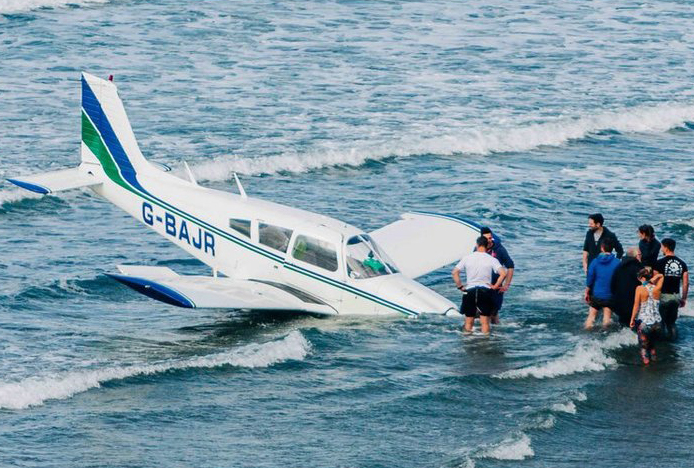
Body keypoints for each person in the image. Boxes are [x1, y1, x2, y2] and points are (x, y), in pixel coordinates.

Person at [452, 236, 507, 334]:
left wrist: (460, 286)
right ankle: (485, 343)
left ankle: (467, 343)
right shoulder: (491, 259)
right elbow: (503, 273)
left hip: (470, 290)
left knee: (468, 321)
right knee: (485, 322)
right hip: (485, 291)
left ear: (477, 245)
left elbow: (455, 272)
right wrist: (495, 286)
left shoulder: (467, 258)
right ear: (488, 246)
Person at [654, 238, 689, 340]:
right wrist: (683, 298)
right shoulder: (682, 263)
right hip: (675, 297)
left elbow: (655, 282)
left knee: (661, 322)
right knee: (672, 323)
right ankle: (674, 343)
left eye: (662, 247)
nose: (661, 249)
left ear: (665, 247)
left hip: (663, 296)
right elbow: (686, 283)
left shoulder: (659, 263)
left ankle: (662, 345)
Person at [479, 227, 514, 324]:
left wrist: (507, 284)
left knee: (493, 314)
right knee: (479, 313)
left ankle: (496, 335)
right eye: (487, 239)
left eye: (490, 238)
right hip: (481, 286)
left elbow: (510, 266)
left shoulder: (499, 249)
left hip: (496, 287)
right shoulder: (478, 249)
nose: (489, 241)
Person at [630, 267, 664, 365]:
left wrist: (632, 319)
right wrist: (654, 278)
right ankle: (655, 364)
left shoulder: (639, 288)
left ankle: (646, 369)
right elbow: (661, 276)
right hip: (657, 323)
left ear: (642, 278)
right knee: (652, 345)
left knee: (643, 347)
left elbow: (636, 306)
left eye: (639, 278)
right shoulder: (657, 288)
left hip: (645, 323)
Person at [584, 238, 621, 329]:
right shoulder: (617, 263)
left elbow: (590, 278)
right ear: (612, 249)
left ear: (602, 248)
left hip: (597, 295)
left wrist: (587, 291)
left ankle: (588, 330)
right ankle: (605, 331)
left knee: (591, 315)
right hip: (609, 296)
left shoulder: (595, 261)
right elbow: (620, 280)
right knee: (607, 316)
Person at [610, 247, 643, 327]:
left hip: (619, 304)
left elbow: (612, 285)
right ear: (637, 256)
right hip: (633, 304)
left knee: (623, 324)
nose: (642, 256)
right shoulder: (639, 269)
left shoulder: (618, 267)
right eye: (641, 254)